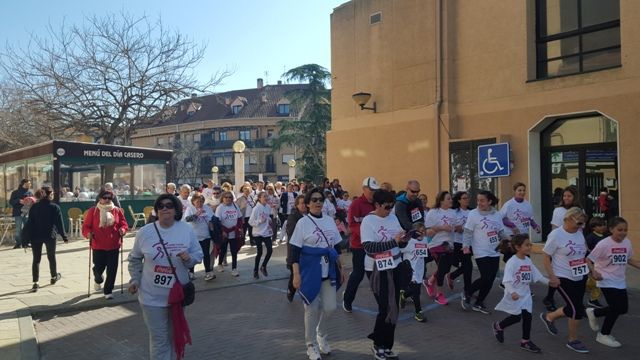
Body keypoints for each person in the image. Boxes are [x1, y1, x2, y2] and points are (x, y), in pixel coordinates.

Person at [128, 194, 203, 360]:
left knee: (173, 336)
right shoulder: (145, 232)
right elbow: (134, 259)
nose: (164, 209)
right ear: (156, 210)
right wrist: (135, 279)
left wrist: (189, 259)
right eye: (160, 206)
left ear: (176, 209)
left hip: (176, 296)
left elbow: (198, 255)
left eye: (169, 205)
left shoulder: (186, 230)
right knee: (159, 339)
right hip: (151, 297)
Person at [290, 188, 345, 360]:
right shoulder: (303, 223)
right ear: (307, 204)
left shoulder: (329, 221)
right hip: (309, 271)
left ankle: (321, 334)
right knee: (311, 310)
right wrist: (296, 274)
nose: (317, 202)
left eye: (320, 199)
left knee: (330, 307)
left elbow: (336, 247)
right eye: (313, 200)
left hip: (329, 271)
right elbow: (294, 251)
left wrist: (342, 268)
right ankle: (310, 345)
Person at [361, 189, 407, 360]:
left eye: (392, 206)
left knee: (393, 307)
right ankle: (377, 344)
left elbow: (399, 245)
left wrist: (404, 239)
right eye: (387, 207)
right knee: (384, 307)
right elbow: (369, 247)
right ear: (377, 205)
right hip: (377, 268)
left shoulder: (393, 217)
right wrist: (393, 241)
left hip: (395, 264)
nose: (390, 210)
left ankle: (387, 345)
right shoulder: (368, 221)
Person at [539, 207, 590, 354]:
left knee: (573, 306)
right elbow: (545, 256)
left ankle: (549, 317)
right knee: (576, 309)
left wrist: (592, 270)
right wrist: (552, 277)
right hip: (562, 276)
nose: (581, 226)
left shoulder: (580, 234)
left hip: (579, 276)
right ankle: (573, 340)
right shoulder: (556, 235)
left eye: (582, 224)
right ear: (568, 219)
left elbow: (584, 254)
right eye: (578, 223)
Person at [493, 234, 555, 353]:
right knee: (516, 317)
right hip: (514, 294)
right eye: (527, 245)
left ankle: (525, 341)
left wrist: (549, 282)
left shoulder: (527, 260)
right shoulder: (512, 262)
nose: (530, 247)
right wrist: (512, 292)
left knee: (527, 317)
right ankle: (498, 326)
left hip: (525, 294)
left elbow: (537, 275)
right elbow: (506, 280)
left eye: (530, 244)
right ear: (518, 247)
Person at [586, 217, 640, 348]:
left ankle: (594, 312)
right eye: (619, 230)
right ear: (611, 229)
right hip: (605, 279)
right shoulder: (604, 244)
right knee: (615, 307)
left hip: (619, 280)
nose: (623, 233)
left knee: (623, 309)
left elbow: (629, 259)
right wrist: (593, 272)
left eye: (625, 230)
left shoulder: (626, 242)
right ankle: (603, 335)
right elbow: (588, 259)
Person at [461, 190, 509, 314]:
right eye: (478, 200)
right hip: (480, 250)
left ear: (490, 201)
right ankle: (468, 292)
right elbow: (468, 232)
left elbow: (500, 231)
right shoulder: (473, 214)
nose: (479, 203)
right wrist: (466, 245)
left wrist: (507, 239)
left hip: (494, 250)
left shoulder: (497, 215)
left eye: (482, 200)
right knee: (485, 276)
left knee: (491, 279)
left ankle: (479, 302)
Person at [82, 189, 128, 299]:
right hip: (98, 244)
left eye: (109, 198)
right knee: (99, 268)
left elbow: (124, 224)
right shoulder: (93, 211)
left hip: (113, 244)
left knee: (112, 269)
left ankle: (108, 291)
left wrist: (123, 230)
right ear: (100, 198)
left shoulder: (117, 210)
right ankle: (98, 278)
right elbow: (86, 227)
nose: (107, 200)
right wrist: (88, 234)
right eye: (105, 198)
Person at [342, 176, 379, 313]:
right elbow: (352, 225)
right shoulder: (356, 204)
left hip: (375, 246)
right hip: (359, 246)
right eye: (371, 189)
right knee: (358, 273)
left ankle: (383, 304)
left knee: (375, 275)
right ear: (364, 189)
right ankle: (347, 299)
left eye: (375, 190)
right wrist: (367, 236)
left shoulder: (377, 203)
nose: (373, 192)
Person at [544, 185, 581, 312]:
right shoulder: (558, 211)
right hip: (560, 245)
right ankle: (549, 297)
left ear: (574, 197)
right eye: (564, 196)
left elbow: (581, 230)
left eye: (569, 196)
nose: (566, 198)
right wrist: (553, 243)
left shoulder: (580, 211)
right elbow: (554, 227)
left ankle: (577, 302)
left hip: (575, 244)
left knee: (575, 270)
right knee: (557, 271)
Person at [25, 186, 68, 292]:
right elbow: (59, 223)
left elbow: (30, 223)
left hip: (36, 236)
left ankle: (35, 282)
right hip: (50, 235)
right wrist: (64, 236)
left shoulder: (34, 207)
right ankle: (54, 276)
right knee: (51, 256)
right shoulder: (54, 207)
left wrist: (27, 238)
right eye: (52, 194)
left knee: (36, 259)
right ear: (50, 195)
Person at [424, 191, 458, 305]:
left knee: (445, 269)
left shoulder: (453, 213)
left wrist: (458, 228)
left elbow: (454, 227)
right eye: (448, 199)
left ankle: (430, 281)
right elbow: (427, 230)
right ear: (441, 200)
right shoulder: (433, 213)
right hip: (436, 243)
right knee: (443, 267)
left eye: (451, 198)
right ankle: (439, 294)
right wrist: (442, 228)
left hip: (449, 244)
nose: (451, 200)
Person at [499, 183, 541, 256]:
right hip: (512, 236)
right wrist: (513, 226)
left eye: (524, 190)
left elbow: (530, 219)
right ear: (514, 191)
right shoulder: (509, 204)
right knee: (511, 259)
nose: (522, 192)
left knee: (525, 258)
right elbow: (502, 218)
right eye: (519, 190)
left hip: (524, 236)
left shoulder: (528, 205)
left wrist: (535, 226)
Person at [399, 223, 428, 322]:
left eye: (424, 231)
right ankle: (418, 312)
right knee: (416, 292)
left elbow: (426, 253)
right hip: (410, 271)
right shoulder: (409, 241)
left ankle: (404, 295)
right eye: (420, 231)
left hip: (420, 270)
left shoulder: (425, 240)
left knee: (416, 290)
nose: (422, 233)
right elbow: (399, 248)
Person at [183, 194, 216, 281]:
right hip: (194, 236)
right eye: (197, 202)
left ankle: (208, 272)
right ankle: (191, 272)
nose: (200, 203)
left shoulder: (207, 208)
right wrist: (196, 215)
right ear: (193, 202)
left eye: (201, 201)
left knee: (206, 254)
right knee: (193, 254)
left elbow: (212, 218)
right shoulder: (190, 208)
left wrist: (212, 223)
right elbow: (187, 219)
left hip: (206, 235)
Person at [214, 191, 243, 276]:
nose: (228, 199)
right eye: (226, 197)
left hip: (234, 232)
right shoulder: (220, 207)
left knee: (234, 251)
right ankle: (220, 264)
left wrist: (240, 229)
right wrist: (222, 231)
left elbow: (240, 218)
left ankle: (234, 268)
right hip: (224, 233)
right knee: (223, 250)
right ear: (222, 198)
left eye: (230, 197)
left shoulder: (235, 206)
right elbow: (217, 222)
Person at [449, 191, 472, 294]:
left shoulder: (472, 212)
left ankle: (467, 288)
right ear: (459, 200)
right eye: (464, 198)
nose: (467, 200)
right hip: (457, 242)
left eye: (468, 198)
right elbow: (449, 226)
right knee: (467, 265)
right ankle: (467, 289)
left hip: (469, 242)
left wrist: (464, 228)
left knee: (467, 265)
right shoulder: (454, 212)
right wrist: (455, 228)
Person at [286, 195, 307, 302]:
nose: (303, 205)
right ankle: (291, 291)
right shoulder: (293, 216)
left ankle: (306, 294)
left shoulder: (310, 216)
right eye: (301, 203)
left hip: (307, 250)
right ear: (297, 205)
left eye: (305, 203)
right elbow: (290, 232)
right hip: (296, 249)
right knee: (294, 273)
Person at [249, 191, 274, 279]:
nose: (266, 198)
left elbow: (267, 216)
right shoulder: (256, 208)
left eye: (267, 196)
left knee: (270, 250)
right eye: (264, 196)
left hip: (266, 232)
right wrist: (259, 221)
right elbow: (250, 222)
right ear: (259, 198)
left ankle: (263, 266)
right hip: (258, 233)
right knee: (259, 252)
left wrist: (269, 220)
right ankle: (255, 270)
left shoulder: (267, 206)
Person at [584, 216, 608, 308]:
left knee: (597, 283)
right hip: (592, 264)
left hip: (601, 264)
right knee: (594, 283)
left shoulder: (606, 237)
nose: (603, 227)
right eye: (600, 225)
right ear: (594, 227)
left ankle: (593, 299)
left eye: (604, 225)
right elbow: (586, 250)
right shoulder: (591, 237)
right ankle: (585, 290)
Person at [9, 178, 33, 249]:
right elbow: (11, 202)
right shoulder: (15, 192)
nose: (29, 185)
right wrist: (19, 201)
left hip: (27, 213)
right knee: (18, 229)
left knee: (27, 228)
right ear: (23, 184)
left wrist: (31, 201)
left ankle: (26, 242)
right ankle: (18, 243)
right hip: (18, 213)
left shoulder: (30, 192)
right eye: (28, 184)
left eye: (30, 184)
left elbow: (33, 201)